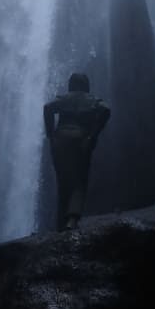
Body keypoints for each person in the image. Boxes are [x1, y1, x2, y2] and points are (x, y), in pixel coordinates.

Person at [44, 73, 111, 231]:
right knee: (79, 181)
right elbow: (106, 109)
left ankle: (60, 224)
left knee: (62, 181)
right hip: (80, 140)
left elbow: (47, 107)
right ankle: (72, 220)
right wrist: (93, 135)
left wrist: (50, 135)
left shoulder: (64, 98)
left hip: (60, 140)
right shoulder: (91, 99)